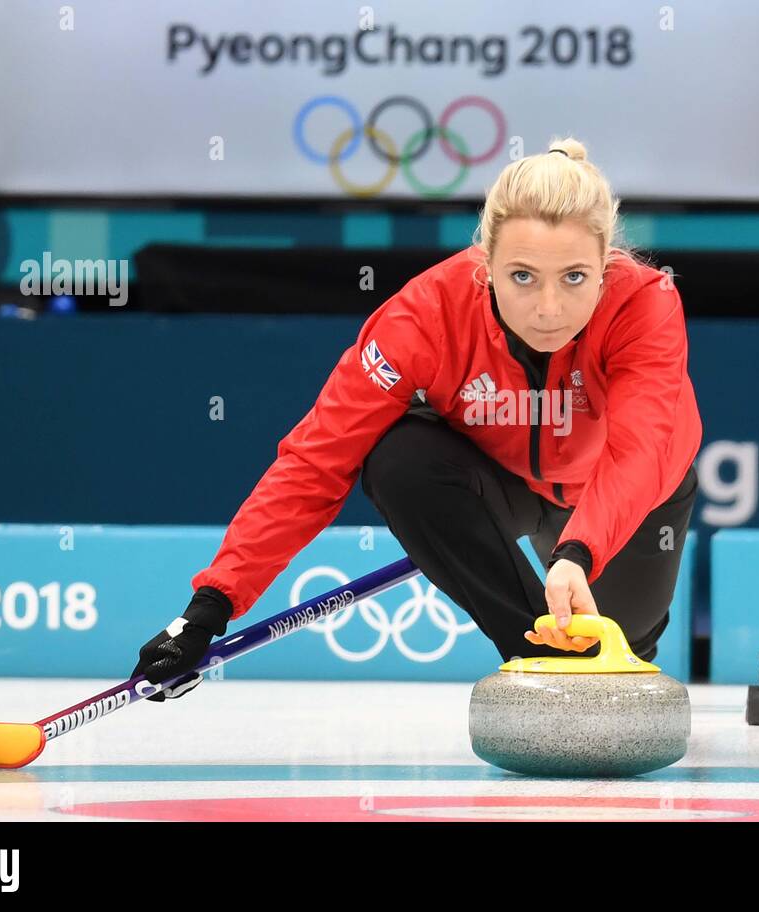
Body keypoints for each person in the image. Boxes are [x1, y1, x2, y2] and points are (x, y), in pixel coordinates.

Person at [131, 137, 702, 701]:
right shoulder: (423, 317)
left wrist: (576, 551)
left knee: (625, 648)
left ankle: (609, 649)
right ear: (486, 264)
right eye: (522, 276)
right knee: (398, 458)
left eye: (574, 277)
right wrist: (209, 609)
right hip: (505, 484)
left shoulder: (645, 303)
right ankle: (540, 658)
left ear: (606, 265)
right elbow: (317, 461)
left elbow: (639, 448)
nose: (548, 309)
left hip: (633, 494)